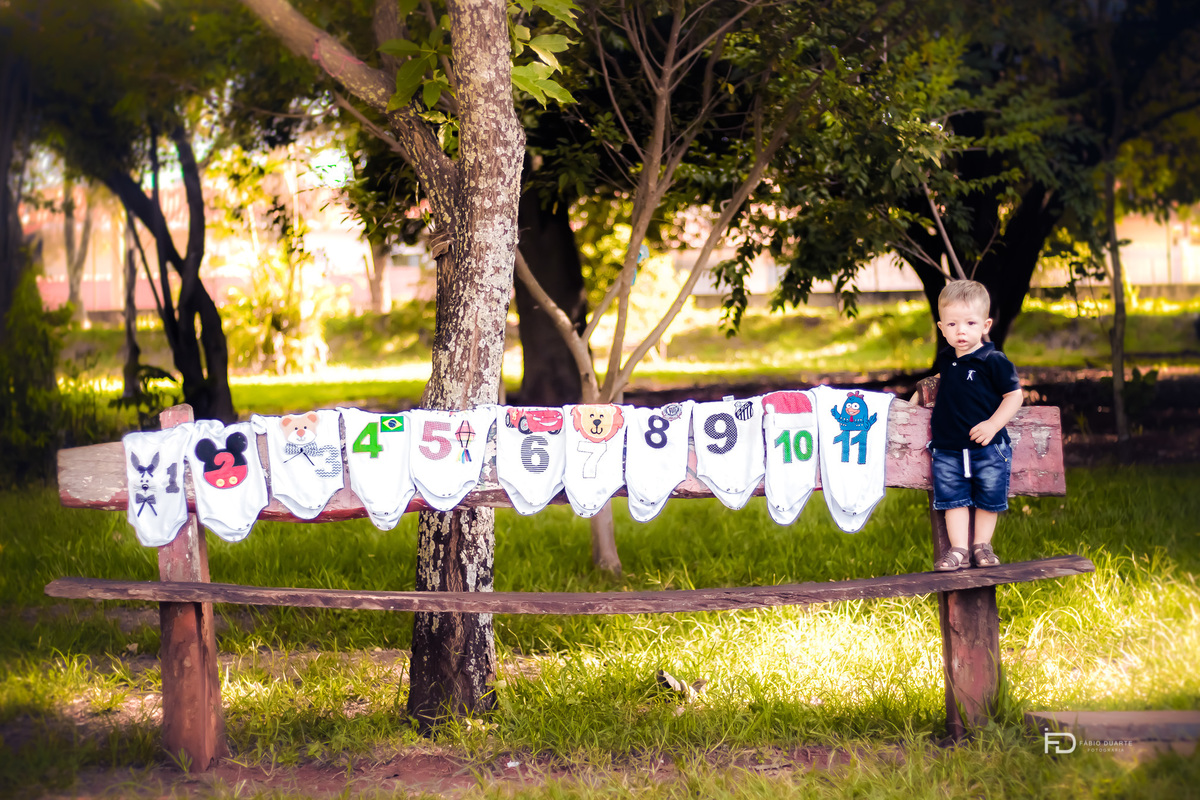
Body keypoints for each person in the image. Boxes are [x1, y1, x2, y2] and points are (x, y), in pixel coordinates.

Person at [929, 280, 1024, 571]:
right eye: (952, 324)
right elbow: (944, 384)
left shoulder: (994, 361)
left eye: (970, 323)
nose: (961, 331)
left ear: (985, 325)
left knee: (988, 497)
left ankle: (982, 545)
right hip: (948, 448)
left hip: (988, 447)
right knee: (953, 499)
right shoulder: (947, 359)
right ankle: (959, 550)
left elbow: (1014, 396)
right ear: (942, 328)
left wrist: (993, 425)